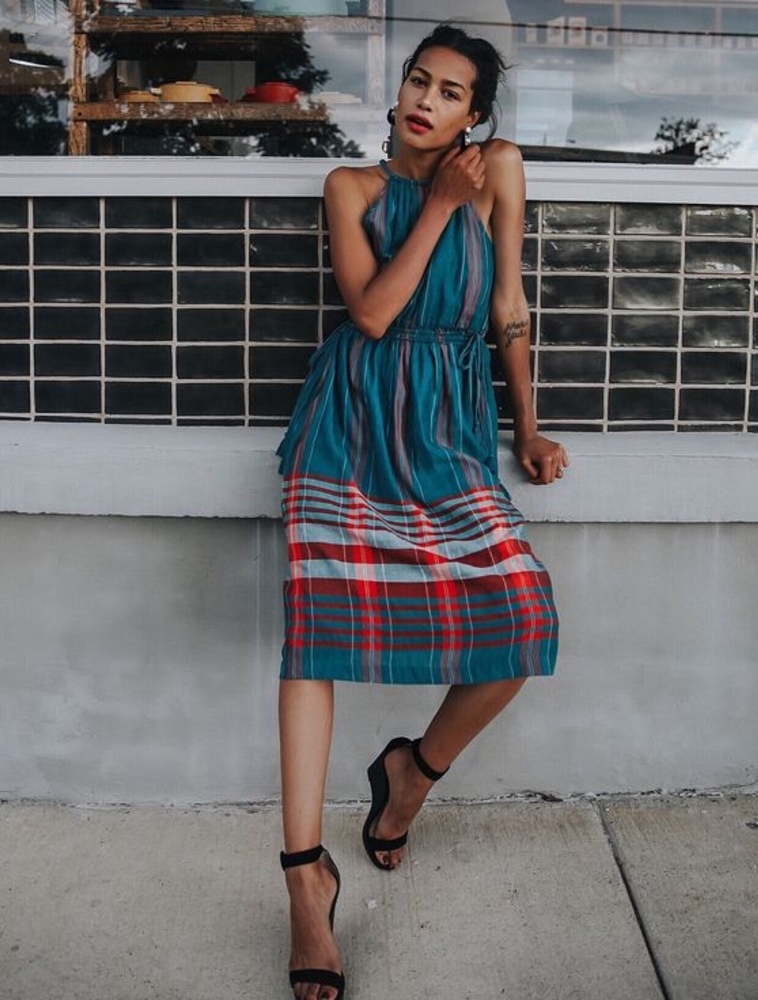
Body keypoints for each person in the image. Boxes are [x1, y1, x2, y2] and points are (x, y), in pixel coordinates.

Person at [274, 24, 569, 1000]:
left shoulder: (502, 172)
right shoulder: (351, 189)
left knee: (522, 624)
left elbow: (507, 306)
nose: (426, 100)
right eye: (417, 81)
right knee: (313, 640)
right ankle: (305, 882)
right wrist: (439, 207)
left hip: (448, 430)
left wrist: (527, 428)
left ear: (475, 116)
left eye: (450, 92)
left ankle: (411, 770)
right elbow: (370, 314)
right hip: (351, 421)